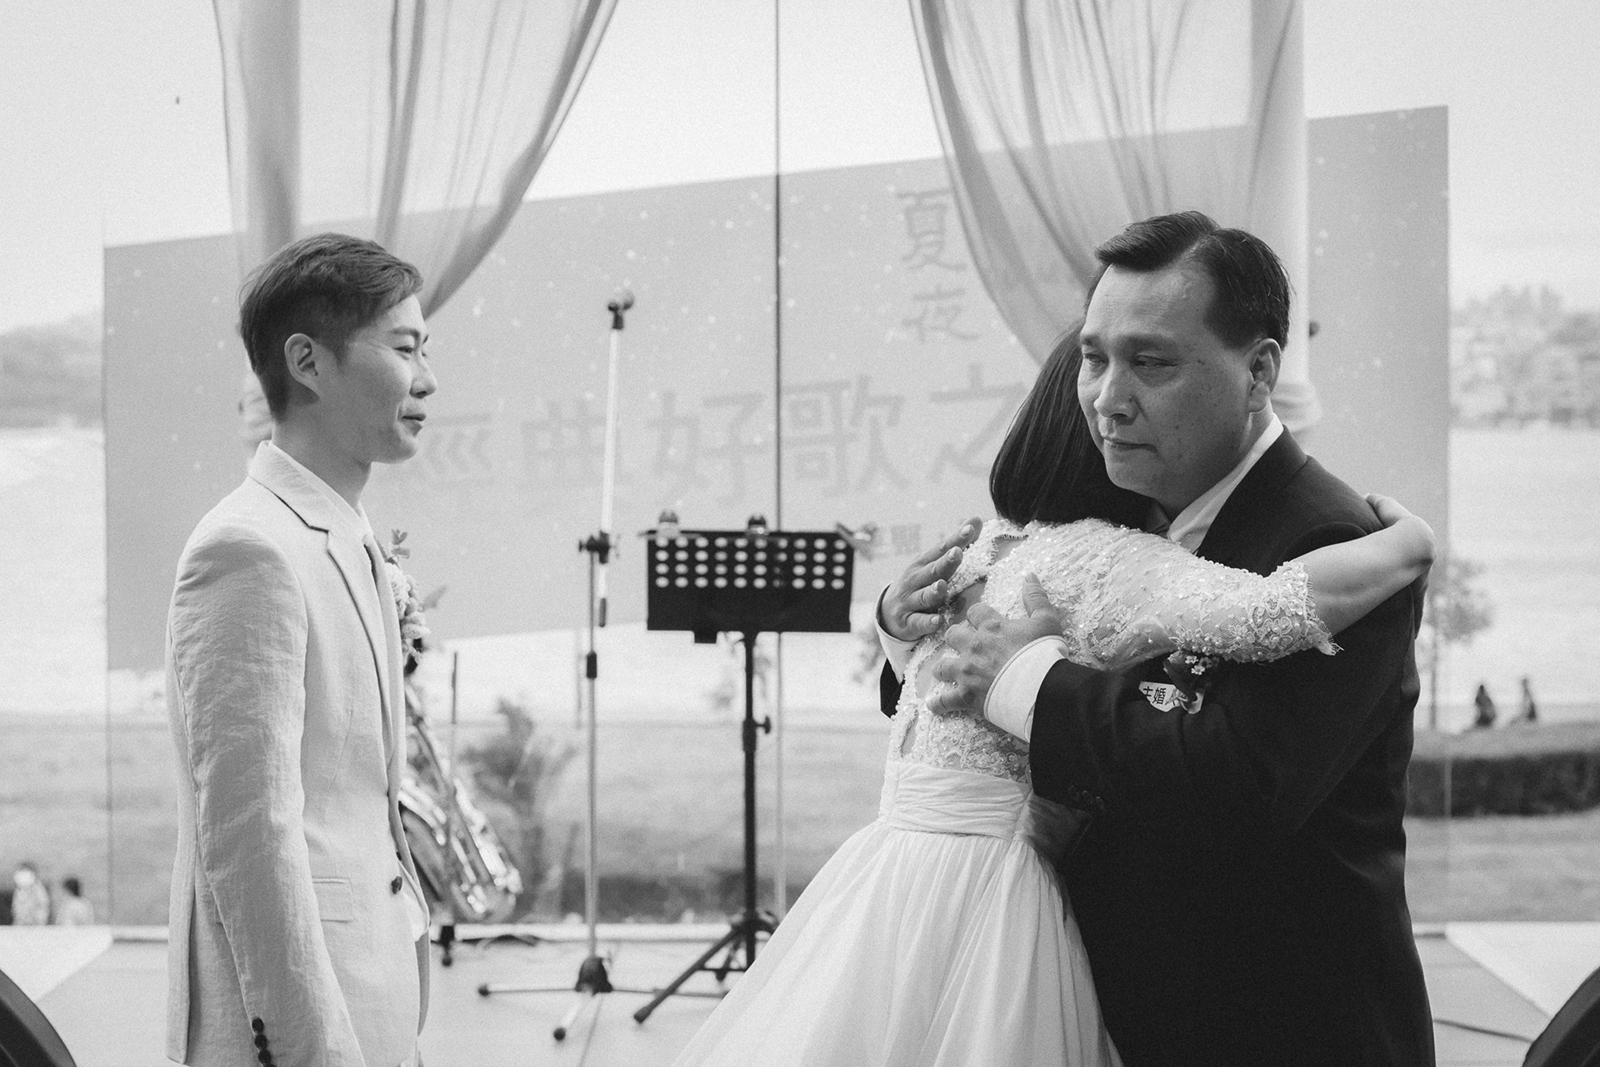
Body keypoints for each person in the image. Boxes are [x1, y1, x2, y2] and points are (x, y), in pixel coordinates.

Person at [671, 342, 1434, 1063]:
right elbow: (1269, 610)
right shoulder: (1111, 557)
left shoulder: (981, 548)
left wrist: (892, 628)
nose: (1119, 409)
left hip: (890, 880)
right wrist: (1408, 545)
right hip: (994, 896)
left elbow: (937, 697)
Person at [915, 212, 1436, 1065]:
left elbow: (1240, 784)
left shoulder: (1334, 545)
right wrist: (911, 624)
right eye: (1093, 357)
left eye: (1150, 362)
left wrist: (1028, 680)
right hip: (1110, 1012)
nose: (1107, 398)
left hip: (1281, 1029)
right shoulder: (1110, 500)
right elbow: (975, 676)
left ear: (1258, 372)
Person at [164, 233, 436, 1067]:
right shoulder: (247, 549)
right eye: (405, 348)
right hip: (304, 1026)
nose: (427, 379)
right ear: (308, 362)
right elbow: (250, 835)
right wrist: (311, 1047)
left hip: (374, 985)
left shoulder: (344, 532)